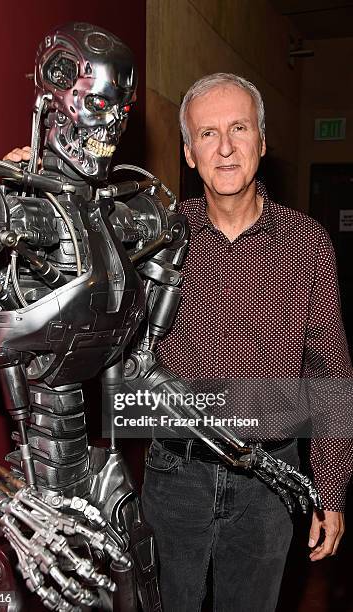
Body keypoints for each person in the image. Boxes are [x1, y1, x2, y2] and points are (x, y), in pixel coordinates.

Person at [140, 73, 352, 612]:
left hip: (268, 483)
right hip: (174, 477)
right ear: (189, 153)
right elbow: (72, 254)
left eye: (239, 128)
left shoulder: (307, 243)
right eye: (208, 134)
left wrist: (329, 487)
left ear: (262, 141)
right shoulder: (157, 239)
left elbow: (329, 372)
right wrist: (36, 180)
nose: (226, 147)